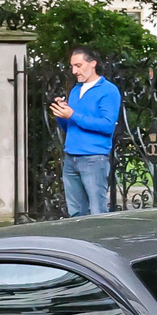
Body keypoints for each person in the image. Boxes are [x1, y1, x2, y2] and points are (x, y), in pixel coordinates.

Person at [49, 45, 123, 216]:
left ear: (93, 63)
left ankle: (98, 243)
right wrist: (62, 113)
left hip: (93, 158)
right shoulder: (75, 90)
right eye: (72, 66)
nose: (74, 71)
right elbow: (69, 128)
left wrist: (73, 114)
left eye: (79, 65)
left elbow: (106, 125)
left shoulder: (108, 90)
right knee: (75, 213)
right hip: (71, 157)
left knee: (98, 211)